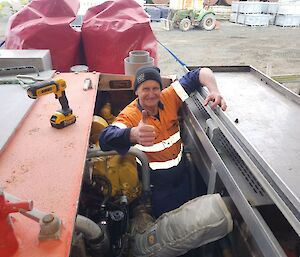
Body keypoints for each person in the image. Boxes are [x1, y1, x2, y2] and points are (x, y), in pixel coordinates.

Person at [99, 66, 227, 218]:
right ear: (136, 91)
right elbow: (105, 138)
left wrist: (214, 91)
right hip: (158, 188)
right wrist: (132, 134)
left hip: (183, 177)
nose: (151, 94)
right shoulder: (130, 115)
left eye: (155, 88)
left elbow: (200, 73)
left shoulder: (170, 97)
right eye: (145, 89)